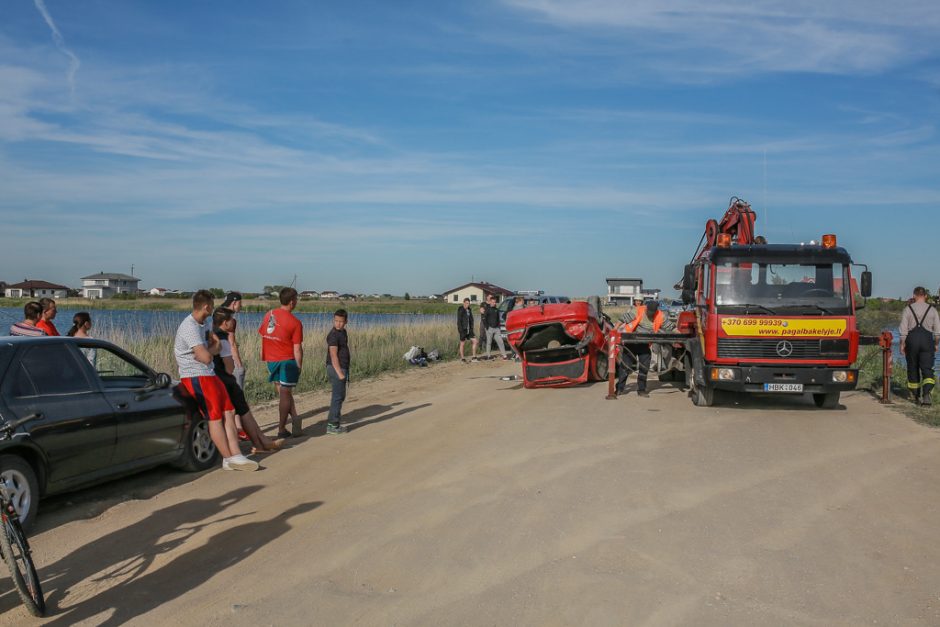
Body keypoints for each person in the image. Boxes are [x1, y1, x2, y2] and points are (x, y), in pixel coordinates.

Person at [175, 290, 258, 471]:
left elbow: (213, 348)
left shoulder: (203, 324)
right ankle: (227, 458)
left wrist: (210, 351)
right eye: (212, 305)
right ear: (206, 306)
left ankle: (235, 454)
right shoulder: (189, 327)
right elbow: (205, 356)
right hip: (196, 375)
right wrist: (210, 352)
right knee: (214, 417)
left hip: (209, 373)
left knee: (228, 410)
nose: (213, 309)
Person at [212, 307, 283, 453]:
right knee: (243, 410)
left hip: (216, 379)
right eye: (232, 319)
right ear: (225, 323)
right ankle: (259, 443)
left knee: (243, 410)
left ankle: (261, 441)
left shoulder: (211, 333)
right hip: (225, 380)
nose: (234, 322)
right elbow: (229, 366)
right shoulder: (223, 338)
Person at [258, 287, 303, 438]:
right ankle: (281, 428)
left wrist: (263, 355)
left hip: (271, 359)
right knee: (285, 393)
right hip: (286, 360)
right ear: (292, 302)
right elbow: (297, 349)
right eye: (296, 299)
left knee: (283, 390)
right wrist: (299, 366)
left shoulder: (269, 314)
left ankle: (295, 417)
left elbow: (264, 334)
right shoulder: (295, 323)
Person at [616, 299, 672, 397]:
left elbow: (670, 327)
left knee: (644, 367)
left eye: (652, 313)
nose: (649, 314)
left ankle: (641, 390)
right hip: (631, 343)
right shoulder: (638, 310)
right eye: (648, 312)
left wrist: (680, 335)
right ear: (646, 308)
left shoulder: (660, 315)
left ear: (655, 311)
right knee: (625, 367)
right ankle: (619, 389)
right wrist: (614, 330)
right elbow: (622, 319)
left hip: (644, 344)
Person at [899, 286, 940, 406]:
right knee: (927, 369)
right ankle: (926, 395)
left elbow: (903, 330)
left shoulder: (908, 309)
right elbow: (937, 332)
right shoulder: (932, 310)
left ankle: (915, 395)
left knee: (913, 367)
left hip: (911, 341)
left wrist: (902, 344)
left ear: (914, 295)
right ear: (926, 296)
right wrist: (936, 344)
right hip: (927, 341)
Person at [325, 309, 351, 434]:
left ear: (346, 321)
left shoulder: (343, 332)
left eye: (341, 321)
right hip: (336, 368)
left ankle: (333, 421)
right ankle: (333, 425)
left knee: (340, 396)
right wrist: (340, 373)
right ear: (333, 320)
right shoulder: (333, 335)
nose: (338, 323)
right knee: (337, 396)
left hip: (342, 368)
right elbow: (333, 355)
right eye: (336, 321)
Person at [221, 292, 246, 389]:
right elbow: (232, 344)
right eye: (240, 303)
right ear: (234, 303)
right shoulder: (230, 320)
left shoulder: (218, 313)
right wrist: (240, 366)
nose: (241, 306)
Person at [483, 294, 509, 360]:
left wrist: (499, 327)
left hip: (497, 329)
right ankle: (488, 356)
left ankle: (504, 356)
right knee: (489, 342)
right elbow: (484, 319)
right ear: (490, 302)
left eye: (495, 302)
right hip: (489, 328)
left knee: (500, 342)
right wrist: (487, 327)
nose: (494, 303)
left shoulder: (496, 310)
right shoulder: (487, 309)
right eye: (493, 302)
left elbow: (498, 319)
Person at [456, 298, 478, 362]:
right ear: (463, 303)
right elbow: (459, 321)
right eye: (466, 303)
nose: (467, 305)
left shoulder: (469, 310)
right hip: (463, 330)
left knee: (475, 341)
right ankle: (463, 358)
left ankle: (474, 358)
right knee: (462, 343)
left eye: (468, 303)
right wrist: (460, 330)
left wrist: (472, 328)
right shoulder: (460, 309)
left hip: (469, 330)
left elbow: (471, 319)